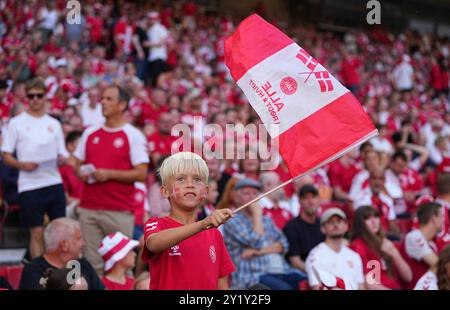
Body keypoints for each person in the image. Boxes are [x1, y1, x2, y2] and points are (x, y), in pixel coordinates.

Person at [74, 85, 149, 275]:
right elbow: (75, 161)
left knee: (122, 265)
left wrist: (109, 174)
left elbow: (141, 173)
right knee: (93, 266)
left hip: (119, 210)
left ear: (122, 104)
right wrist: (80, 172)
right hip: (89, 207)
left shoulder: (133, 135)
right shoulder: (90, 132)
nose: (103, 102)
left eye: (109, 99)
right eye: (102, 98)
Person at [141, 152, 235, 290]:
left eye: (197, 179)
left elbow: (222, 285)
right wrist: (203, 224)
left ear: (205, 191)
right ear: (165, 191)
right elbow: (154, 244)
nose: (190, 184)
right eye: (181, 179)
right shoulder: (156, 223)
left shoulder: (214, 234)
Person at [1, 78, 68, 258]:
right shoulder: (16, 123)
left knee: (61, 232)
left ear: (46, 97)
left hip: (53, 180)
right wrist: (22, 165)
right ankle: (41, 276)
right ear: (26, 98)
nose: (35, 99)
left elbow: (63, 153)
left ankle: (62, 275)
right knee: (36, 233)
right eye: (31, 96)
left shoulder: (54, 124)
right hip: (29, 184)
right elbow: (6, 155)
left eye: (39, 95)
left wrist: (62, 159)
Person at [223, 178, 306, 290]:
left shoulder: (266, 220)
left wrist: (258, 252)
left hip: (281, 270)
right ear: (236, 198)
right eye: (246, 194)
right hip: (252, 277)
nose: (251, 197)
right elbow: (255, 242)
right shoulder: (232, 221)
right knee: (285, 289)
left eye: (254, 193)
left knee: (307, 282)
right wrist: (257, 214)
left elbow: (284, 244)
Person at [19, 218, 104, 290]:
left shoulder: (83, 263)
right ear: (64, 245)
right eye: (79, 238)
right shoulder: (33, 270)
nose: (83, 243)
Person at [350, 206, 412, 289]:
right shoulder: (358, 246)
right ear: (360, 224)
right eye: (367, 218)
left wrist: (395, 254)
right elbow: (369, 284)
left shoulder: (386, 242)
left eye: (376, 216)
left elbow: (408, 277)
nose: (373, 221)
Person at [305, 208, 366, 290]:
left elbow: (361, 286)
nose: (335, 225)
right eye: (331, 222)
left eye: (339, 221)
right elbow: (316, 287)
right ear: (322, 228)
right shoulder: (315, 255)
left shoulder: (354, 256)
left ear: (346, 226)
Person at [400, 202, 443, 289]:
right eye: (441, 216)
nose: (443, 220)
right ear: (434, 219)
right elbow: (439, 264)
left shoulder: (431, 243)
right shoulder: (414, 236)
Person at [283, 184, 325, 273]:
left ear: (319, 200)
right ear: (300, 202)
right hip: (301, 272)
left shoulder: (323, 224)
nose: (310, 201)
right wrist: (318, 273)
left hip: (324, 268)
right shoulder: (291, 227)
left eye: (313, 197)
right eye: (306, 198)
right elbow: (295, 261)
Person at [353, 167, 400, 239]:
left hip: (386, 236)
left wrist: (399, 235)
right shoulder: (360, 198)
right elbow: (362, 226)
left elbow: (392, 223)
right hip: (368, 237)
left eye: (380, 179)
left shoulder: (387, 199)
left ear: (384, 181)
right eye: (374, 178)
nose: (377, 182)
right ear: (369, 180)